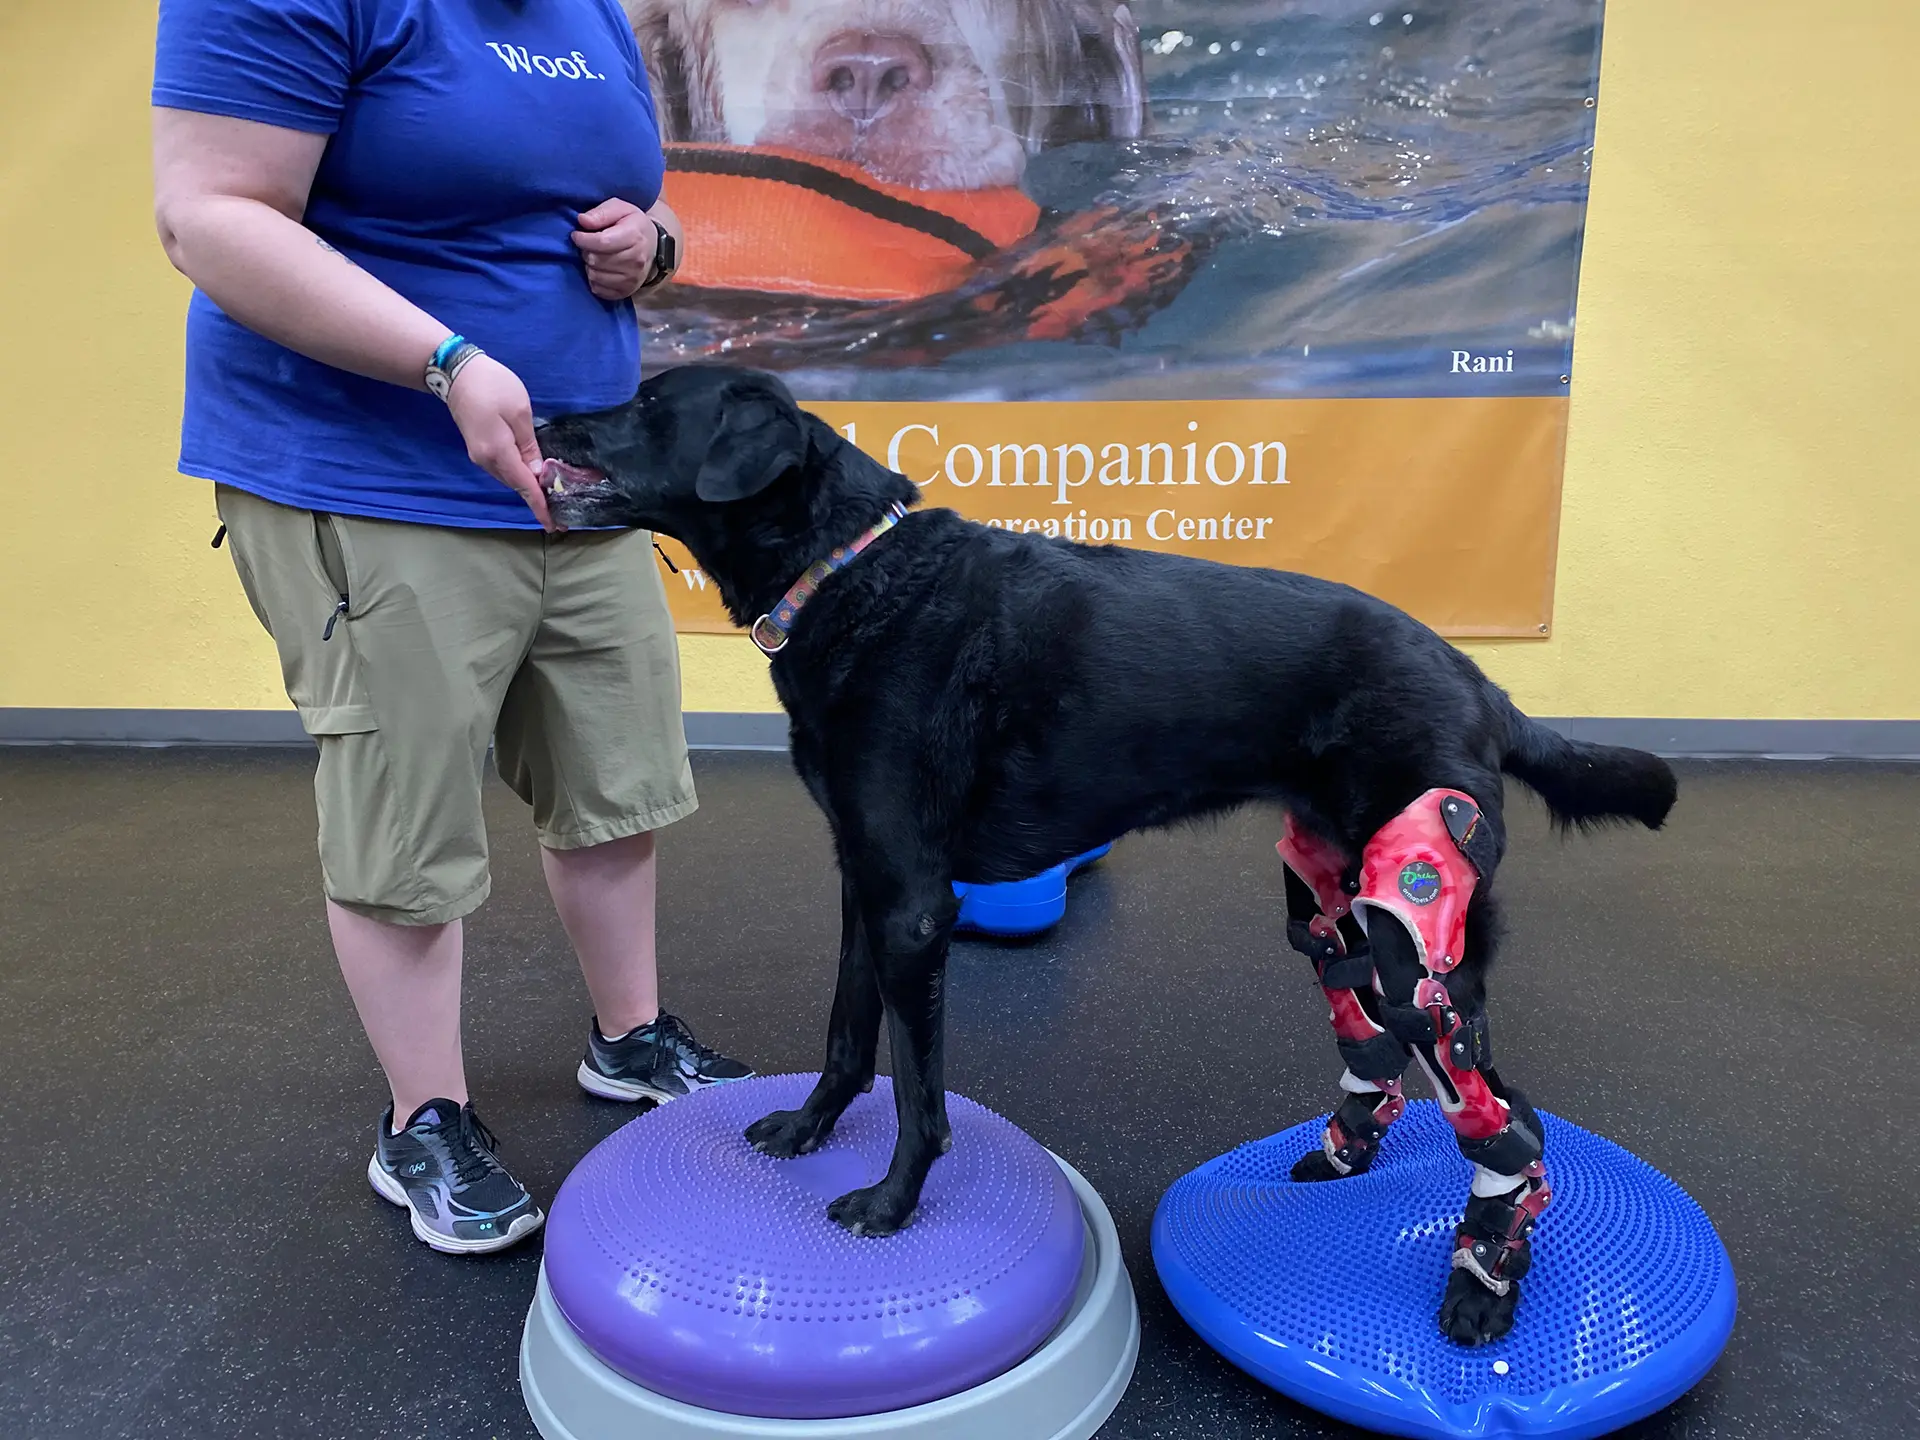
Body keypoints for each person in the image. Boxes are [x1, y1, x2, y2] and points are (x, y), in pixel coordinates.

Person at [151, 0, 753, 1256]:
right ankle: (422, 1119)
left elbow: (640, 205)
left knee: (618, 783)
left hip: (581, 475)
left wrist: (652, 243)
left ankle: (630, 1039)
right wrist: (449, 361)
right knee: (407, 827)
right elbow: (208, 216)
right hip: (373, 476)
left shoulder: (588, 9)